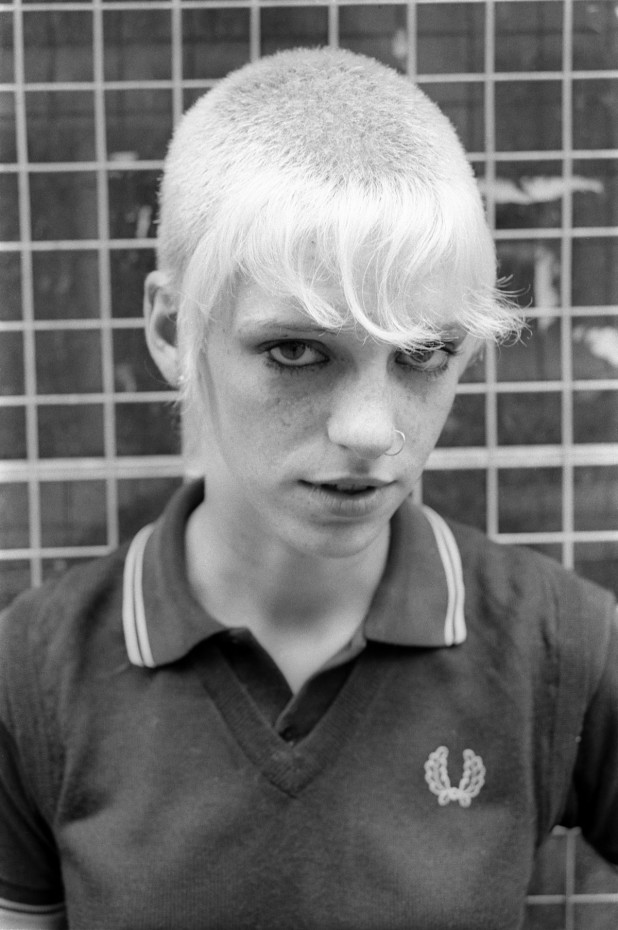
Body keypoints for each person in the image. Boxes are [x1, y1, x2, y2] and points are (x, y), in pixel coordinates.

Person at [0, 47, 616, 930]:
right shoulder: (33, 675)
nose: (371, 431)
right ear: (174, 328)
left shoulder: (561, 647)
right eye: (297, 350)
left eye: (423, 355)